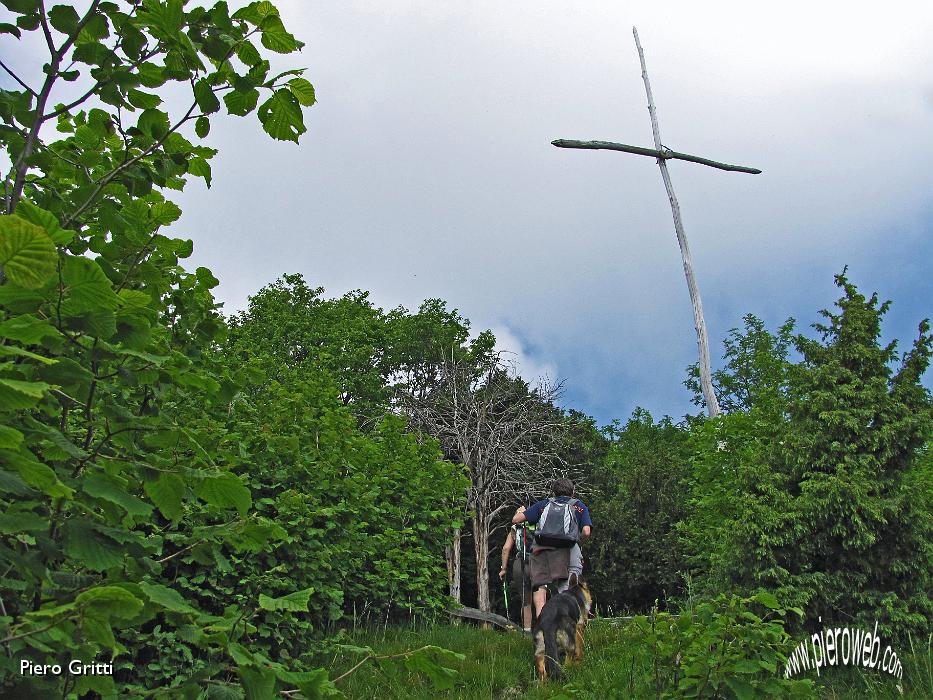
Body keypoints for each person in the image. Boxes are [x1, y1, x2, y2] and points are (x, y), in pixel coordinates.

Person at [512, 478, 592, 618]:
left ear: (554, 492)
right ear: (573, 492)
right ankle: (568, 626)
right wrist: (578, 542)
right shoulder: (579, 506)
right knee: (567, 591)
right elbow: (586, 531)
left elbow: (516, 520)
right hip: (569, 551)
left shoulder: (543, 505)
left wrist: (521, 512)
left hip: (544, 553)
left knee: (541, 592)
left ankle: (543, 630)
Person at [499, 505, 535, 631]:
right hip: (538, 563)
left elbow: (506, 549)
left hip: (520, 564)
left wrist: (503, 569)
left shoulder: (515, 528)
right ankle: (544, 632)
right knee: (540, 598)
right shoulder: (537, 525)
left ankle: (527, 630)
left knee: (526, 601)